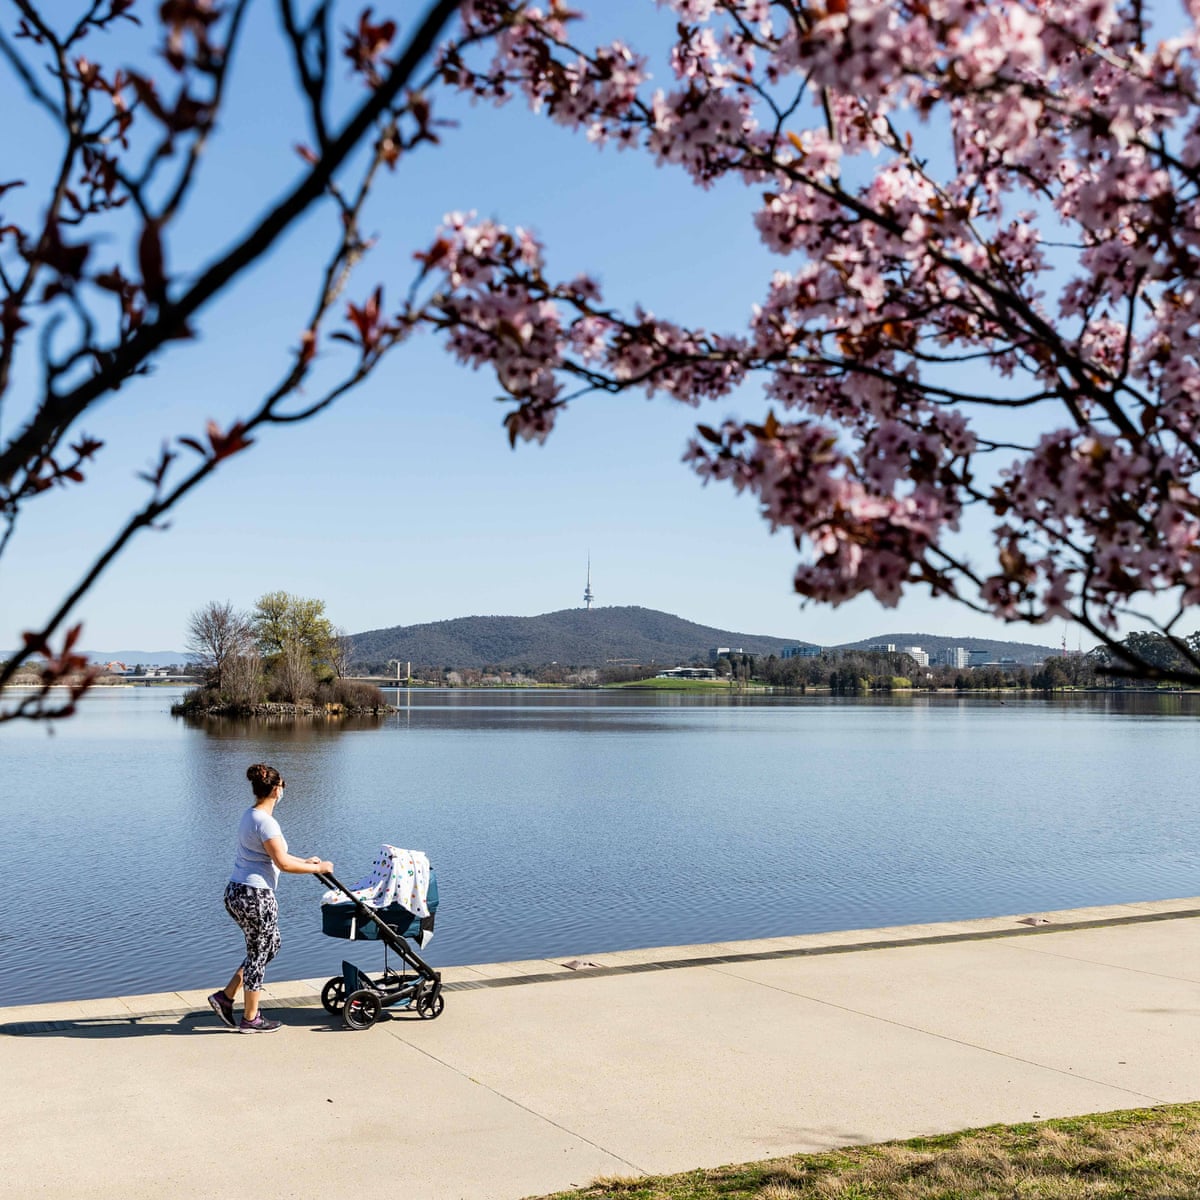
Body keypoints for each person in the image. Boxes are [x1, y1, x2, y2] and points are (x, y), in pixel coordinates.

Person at [208, 763, 332, 1033]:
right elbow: (283, 865)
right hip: (255, 896)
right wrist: (318, 868)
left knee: (270, 945)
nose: (283, 790)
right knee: (258, 953)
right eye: (283, 786)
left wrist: (306, 860)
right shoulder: (267, 823)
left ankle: (225, 997)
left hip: (237, 892)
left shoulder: (250, 815)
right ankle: (250, 1019)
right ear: (276, 789)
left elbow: (277, 858)